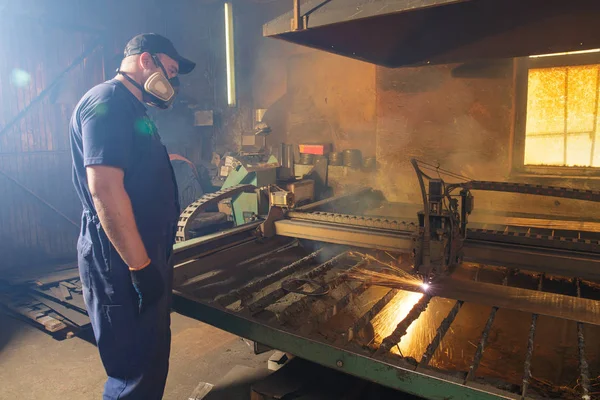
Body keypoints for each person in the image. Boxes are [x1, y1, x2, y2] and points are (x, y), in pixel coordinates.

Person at [69, 33, 195, 399]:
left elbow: (125, 168)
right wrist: (140, 268)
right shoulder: (109, 102)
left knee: (151, 354)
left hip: (138, 248)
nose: (172, 82)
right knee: (134, 365)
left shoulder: (131, 106)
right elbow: (105, 189)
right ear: (146, 62)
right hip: (121, 257)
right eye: (170, 71)